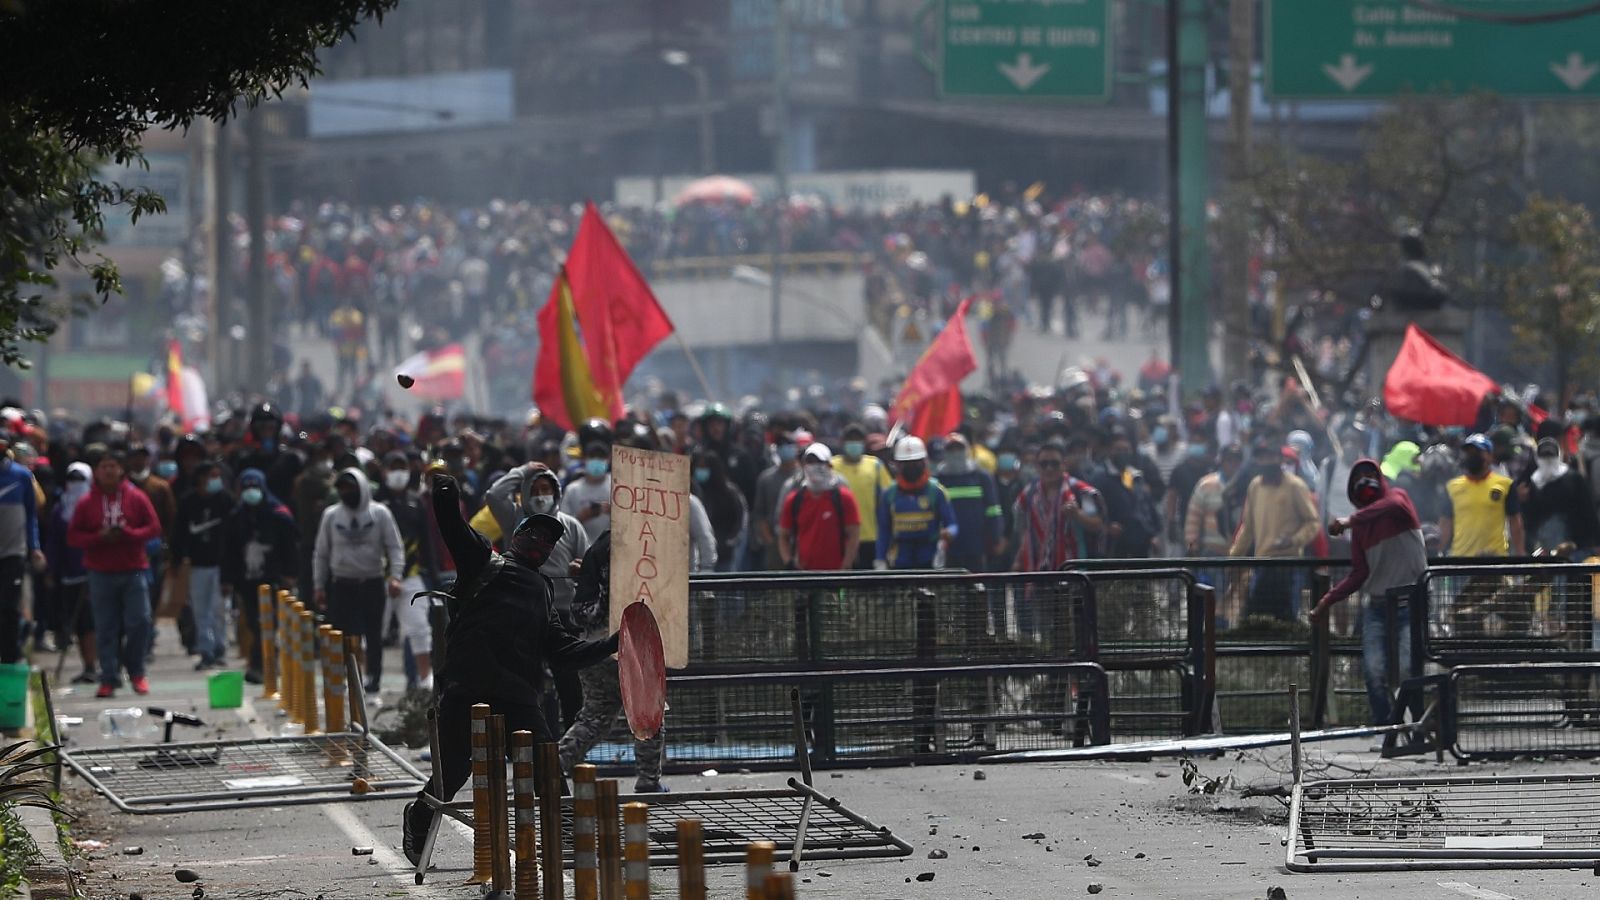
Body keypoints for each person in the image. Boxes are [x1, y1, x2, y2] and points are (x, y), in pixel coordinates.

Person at [402, 472, 618, 865]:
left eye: (549, 539)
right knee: (451, 772)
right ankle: (418, 816)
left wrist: (614, 643)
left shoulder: (543, 592)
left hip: (518, 696)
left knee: (547, 767)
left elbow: (564, 651)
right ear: (516, 535)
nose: (542, 541)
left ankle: (568, 837)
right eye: (534, 533)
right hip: (466, 688)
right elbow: (452, 526)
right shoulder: (484, 562)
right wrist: (445, 487)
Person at [1312, 459, 1429, 724]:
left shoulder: (1398, 500)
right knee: (1374, 670)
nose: (1365, 481)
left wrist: (1349, 520)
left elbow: (1392, 505)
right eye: (1358, 478)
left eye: (1369, 474)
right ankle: (1385, 727)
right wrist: (1326, 601)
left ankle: (1417, 724)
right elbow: (1359, 573)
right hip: (1377, 607)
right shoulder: (1361, 528)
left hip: (1409, 602)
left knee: (1409, 668)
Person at [558, 529, 668, 793]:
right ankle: (648, 779)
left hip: (594, 647)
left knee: (594, 717)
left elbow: (584, 608)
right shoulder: (640, 547)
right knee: (649, 711)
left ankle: (554, 765)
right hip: (629, 642)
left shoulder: (600, 546)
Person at [485, 461, 589, 726]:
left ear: (556, 493)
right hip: (524, 614)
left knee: (569, 681)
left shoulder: (571, 525)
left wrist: (580, 569)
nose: (542, 495)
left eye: (547, 489)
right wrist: (524, 471)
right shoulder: (516, 521)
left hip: (564, 615)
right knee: (526, 680)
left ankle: (569, 741)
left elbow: (589, 565)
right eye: (535, 489)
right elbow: (494, 495)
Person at [66, 447, 163, 698]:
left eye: (113, 466)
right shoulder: (87, 502)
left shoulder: (136, 497)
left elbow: (153, 527)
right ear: (96, 473)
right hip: (100, 571)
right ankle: (108, 676)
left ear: (121, 470)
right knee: (106, 627)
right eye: (103, 467)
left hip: (133, 569)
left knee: (140, 621)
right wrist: (97, 537)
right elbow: (74, 536)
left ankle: (137, 671)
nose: (109, 471)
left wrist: (130, 534)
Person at [313, 467, 405, 694]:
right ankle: (348, 677)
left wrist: (395, 576)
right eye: (342, 488)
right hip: (342, 584)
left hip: (372, 582)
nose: (347, 492)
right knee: (344, 635)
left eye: (351, 488)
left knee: (374, 635)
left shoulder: (380, 513)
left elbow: (395, 547)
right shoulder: (331, 515)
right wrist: (318, 584)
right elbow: (321, 552)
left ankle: (374, 679)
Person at [221, 468, 298, 683]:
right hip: (247, 581)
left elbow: (291, 547)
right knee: (255, 624)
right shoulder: (237, 517)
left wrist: (290, 574)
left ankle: (261, 665)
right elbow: (229, 551)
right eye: (246, 488)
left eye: (255, 487)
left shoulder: (279, 515)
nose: (251, 492)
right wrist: (226, 580)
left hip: (274, 578)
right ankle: (263, 663)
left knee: (270, 623)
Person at [1228, 442, 1320, 620]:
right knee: (1256, 617)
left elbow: (1313, 522)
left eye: (1270, 457)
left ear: (1279, 459)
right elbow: (1248, 527)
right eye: (1261, 457)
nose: (1266, 461)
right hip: (1262, 562)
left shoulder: (1295, 486)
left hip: (1289, 565)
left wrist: (1293, 540)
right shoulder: (1255, 486)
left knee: (1289, 617)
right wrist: (1233, 557)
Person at [375, 452, 442, 692]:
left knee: (419, 628)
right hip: (378, 576)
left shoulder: (416, 502)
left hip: (411, 574)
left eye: (402, 467)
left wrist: (432, 579)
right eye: (393, 467)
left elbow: (426, 543)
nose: (398, 472)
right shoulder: (374, 502)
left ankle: (425, 680)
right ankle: (369, 681)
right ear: (384, 472)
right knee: (373, 632)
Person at [170, 460, 234, 670]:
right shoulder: (188, 502)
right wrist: (176, 560)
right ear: (201, 478)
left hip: (221, 564)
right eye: (212, 476)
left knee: (219, 609)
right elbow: (178, 534)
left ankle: (219, 647)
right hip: (198, 565)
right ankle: (205, 650)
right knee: (200, 610)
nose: (216, 480)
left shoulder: (225, 500)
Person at [43, 462, 93, 683]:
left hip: (96, 573)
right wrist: (50, 570)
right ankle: (89, 665)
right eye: (72, 480)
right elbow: (54, 543)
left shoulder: (94, 505)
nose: (75, 485)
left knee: (96, 621)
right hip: (70, 575)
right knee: (79, 623)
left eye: (80, 480)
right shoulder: (60, 509)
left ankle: (106, 665)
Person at [1439, 433, 1524, 558]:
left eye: (1477, 452)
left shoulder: (1505, 485)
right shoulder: (1452, 487)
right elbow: (1445, 523)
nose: (1472, 456)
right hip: (1461, 559)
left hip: (1495, 559)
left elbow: (1515, 522)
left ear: (1490, 456)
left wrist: (1520, 552)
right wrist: (1439, 550)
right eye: (1469, 453)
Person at [778, 444, 861, 571]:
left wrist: (846, 565)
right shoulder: (794, 500)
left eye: (819, 462)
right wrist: (789, 563)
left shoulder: (844, 498)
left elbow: (853, 534)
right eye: (810, 462)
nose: (814, 466)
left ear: (829, 465)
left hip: (836, 574)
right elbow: (783, 535)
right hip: (804, 575)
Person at [876, 437, 955, 570]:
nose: (911, 467)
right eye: (906, 463)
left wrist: (946, 538)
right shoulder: (889, 494)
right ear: (897, 465)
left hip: (930, 558)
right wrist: (880, 559)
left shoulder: (936, 491)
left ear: (924, 462)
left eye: (915, 462)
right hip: (900, 559)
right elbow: (884, 531)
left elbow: (952, 524)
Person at [1517, 437, 1599, 557]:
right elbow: (1529, 518)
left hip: (1575, 546)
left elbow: (1587, 510)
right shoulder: (1531, 482)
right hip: (1542, 547)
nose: (1548, 460)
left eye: (1551, 456)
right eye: (1544, 457)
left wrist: (1596, 541)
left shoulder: (1573, 479)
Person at [935, 432, 1003, 572]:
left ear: (966, 450)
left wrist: (996, 537)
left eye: (959, 449)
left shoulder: (981, 477)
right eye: (951, 449)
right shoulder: (938, 479)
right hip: (948, 547)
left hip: (976, 545)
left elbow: (993, 509)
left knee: (977, 588)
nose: (955, 453)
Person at [0, 442, 42, 664]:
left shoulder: (21, 476)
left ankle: (9, 658)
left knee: (8, 608)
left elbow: (31, 514)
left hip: (13, 553)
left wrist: (34, 547)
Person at [831, 424, 891, 569]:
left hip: (870, 536)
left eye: (857, 440)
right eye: (850, 439)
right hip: (840, 537)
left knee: (869, 585)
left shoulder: (875, 465)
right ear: (842, 442)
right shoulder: (832, 465)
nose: (853, 443)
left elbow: (888, 497)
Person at [749, 432, 801, 570]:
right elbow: (759, 512)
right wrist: (769, 540)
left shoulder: (803, 478)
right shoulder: (766, 478)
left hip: (801, 542)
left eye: (788, 445)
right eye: (781, 445)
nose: (785, 448)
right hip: (775, 540)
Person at [690, 451, 746, 573]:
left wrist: (729, 542)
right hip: (699, 559)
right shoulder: (694, 492)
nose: (700, 471)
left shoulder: (729, 492)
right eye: (698, 467)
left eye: (704, 467)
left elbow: (740, 519)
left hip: (724, 555)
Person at [561, 442, 612, 543]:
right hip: (582, 550)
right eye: (592, 457)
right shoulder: (572, 490)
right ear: (584, 459)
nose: (596, 460)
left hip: (610, 550)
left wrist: (615, 513)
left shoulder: (616, 486)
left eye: (601, 457)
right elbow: (562, 527)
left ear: (608, 459)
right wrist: (580, 518)